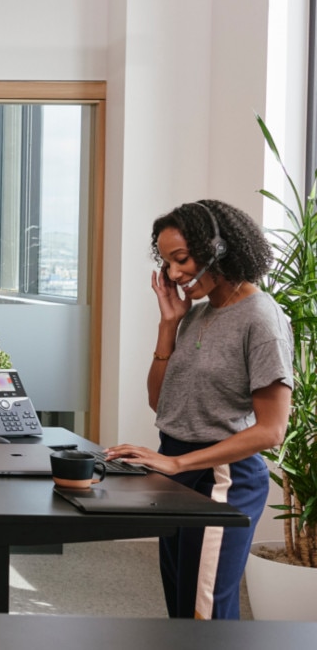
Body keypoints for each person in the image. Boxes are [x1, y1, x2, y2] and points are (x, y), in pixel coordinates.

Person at [106, 199, 292, 620]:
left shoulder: (262, 319)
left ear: (219, 248)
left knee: (203, 614)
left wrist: (178, 463)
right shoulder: (198, 314)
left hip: (223, 478)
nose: (174, 274)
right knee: (181, 604)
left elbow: (270, 431)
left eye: (182, 259)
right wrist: (169, 324)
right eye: (167, 262)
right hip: (179, 470)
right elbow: (160, 401)